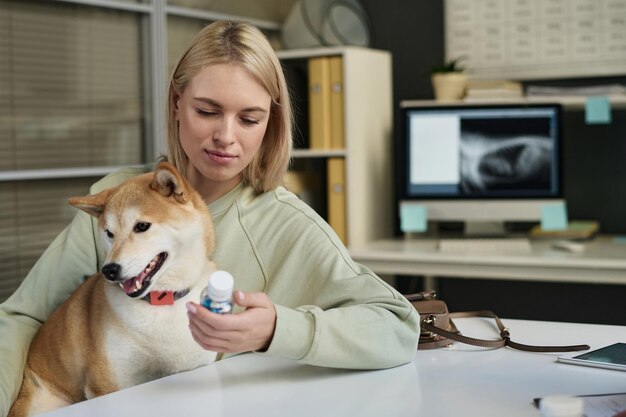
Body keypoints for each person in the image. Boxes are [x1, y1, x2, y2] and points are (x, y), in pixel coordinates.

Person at [0, 20, 420, 415]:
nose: (226, 136)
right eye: (206, 111)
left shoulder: (287, 225)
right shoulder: (117, 201)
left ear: (270, 123)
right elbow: (23, 317)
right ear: (177, 104)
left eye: (249, 118)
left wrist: (277, 330)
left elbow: (398, 327)